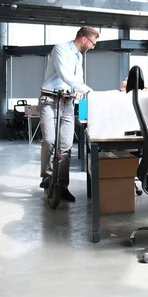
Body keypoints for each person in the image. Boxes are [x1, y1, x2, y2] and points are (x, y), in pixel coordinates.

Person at [39, 26, 99, 202]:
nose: (93, 47)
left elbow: (75, 81)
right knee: (50, 141)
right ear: (84, 39)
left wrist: (78, 90)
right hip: (49, 101)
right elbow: (65, 74)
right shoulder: (60, 49)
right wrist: (88, 90)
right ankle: (48, 178)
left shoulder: (79, 56)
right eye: (93, 43)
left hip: (67, 102)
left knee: (65, 147)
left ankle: (62, 186)